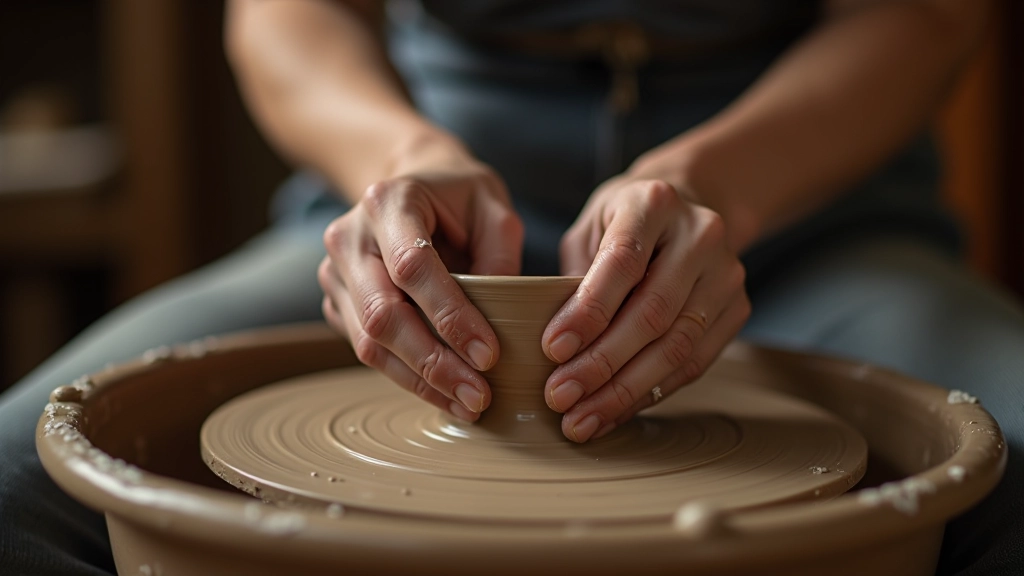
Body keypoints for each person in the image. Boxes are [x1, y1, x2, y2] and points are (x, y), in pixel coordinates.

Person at [0, 0, 1021, 574]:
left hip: (801, 202)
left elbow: (926, 19)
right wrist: (397, 155)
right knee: (15, 481)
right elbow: (282, 16)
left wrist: (717, 189)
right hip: (423, 201)